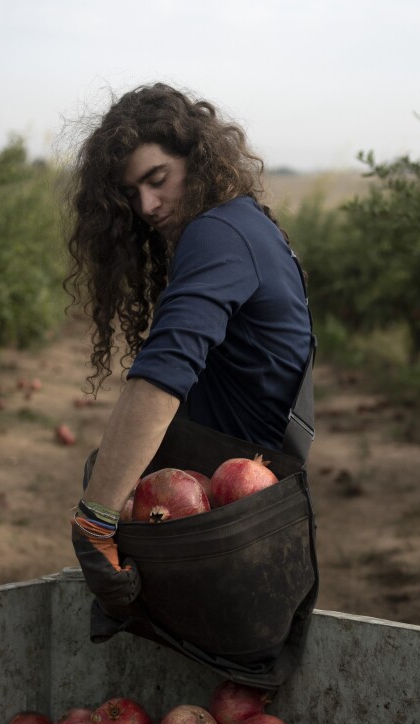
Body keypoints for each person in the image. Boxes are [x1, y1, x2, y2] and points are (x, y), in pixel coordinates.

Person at [65, 83, 313, 567]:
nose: (147, 206)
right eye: (132, 193)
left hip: (222, 527)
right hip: (231, 506)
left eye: (158, 178)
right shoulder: (247, 224)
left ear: (196, 159)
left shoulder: (218, 233)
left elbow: (163, 374)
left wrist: (95, 522)